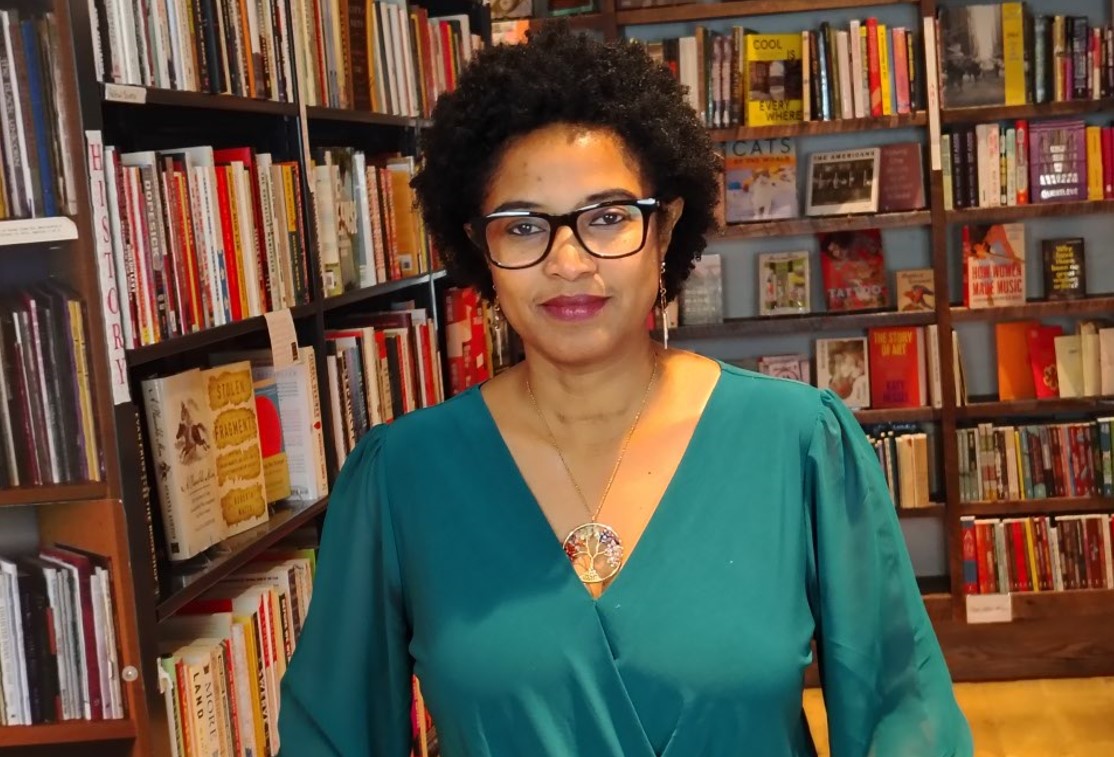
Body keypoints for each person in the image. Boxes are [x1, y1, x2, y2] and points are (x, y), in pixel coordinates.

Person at [277, 25, 974, 757]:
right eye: (523, 227)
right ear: (481, 248)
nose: (570, 262)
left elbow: (907, 711)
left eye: (609, 218)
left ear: (665, 229)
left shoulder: (798, 443)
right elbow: (331, 735)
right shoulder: (402, 477)